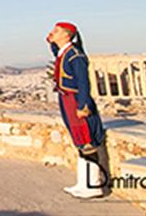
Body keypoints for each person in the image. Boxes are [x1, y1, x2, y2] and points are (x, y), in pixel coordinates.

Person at [46, 21, 109, 199]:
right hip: (67, 99)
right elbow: (54, 50)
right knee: (79, 141)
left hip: (75, 100)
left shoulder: (75, 55)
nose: (52, 33)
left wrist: (83, 105)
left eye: (56, 31)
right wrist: (50, 40)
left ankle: (94, 185)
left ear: (66, 35)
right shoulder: (64, 52)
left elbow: (83, 82)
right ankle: (83, 183)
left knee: (87, 141)